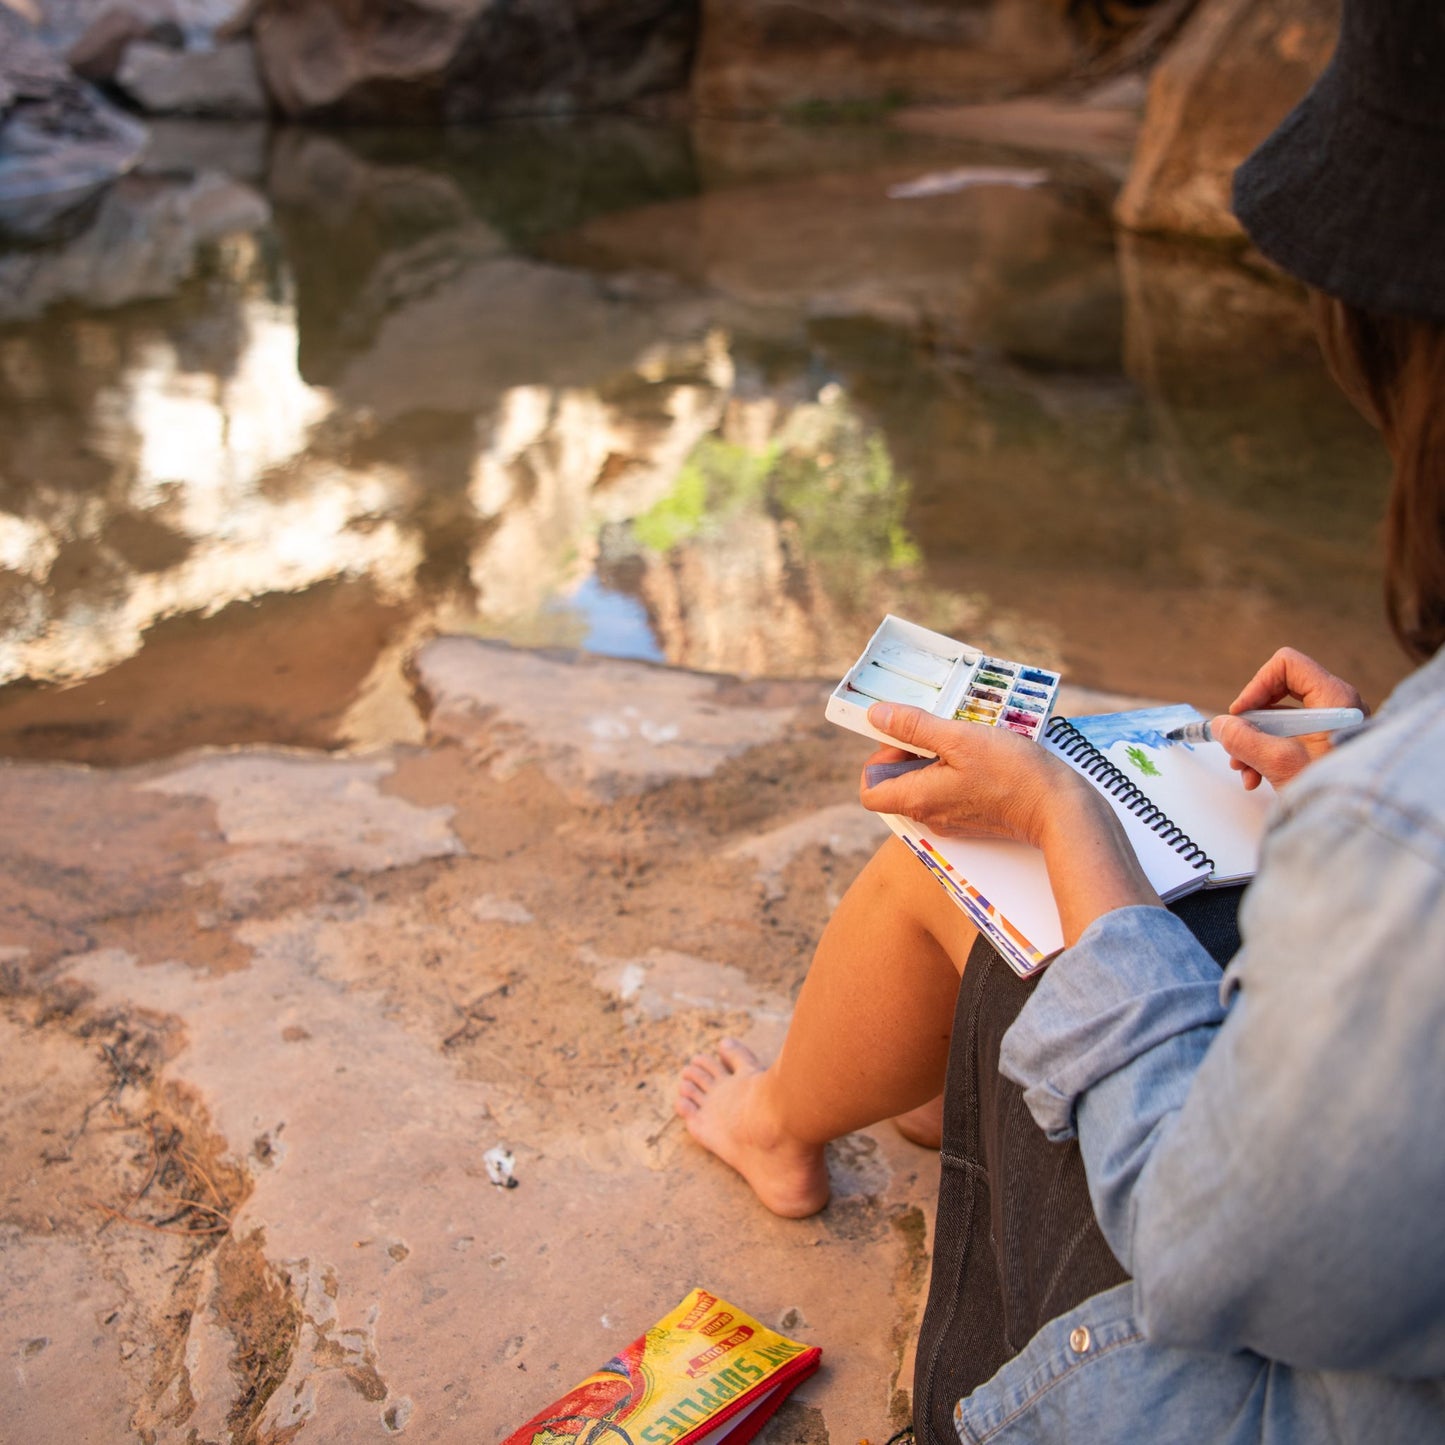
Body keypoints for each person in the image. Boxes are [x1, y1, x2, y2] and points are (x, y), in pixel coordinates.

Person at [674, 0, 1445, 1438]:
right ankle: (949, 1075)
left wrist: (1061, 820)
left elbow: (1209, 1246)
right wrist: (1369, 759)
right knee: (1050, 908)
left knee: (975, 859)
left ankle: (785, 1126)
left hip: (1247, 1390)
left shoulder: (1411, 831)